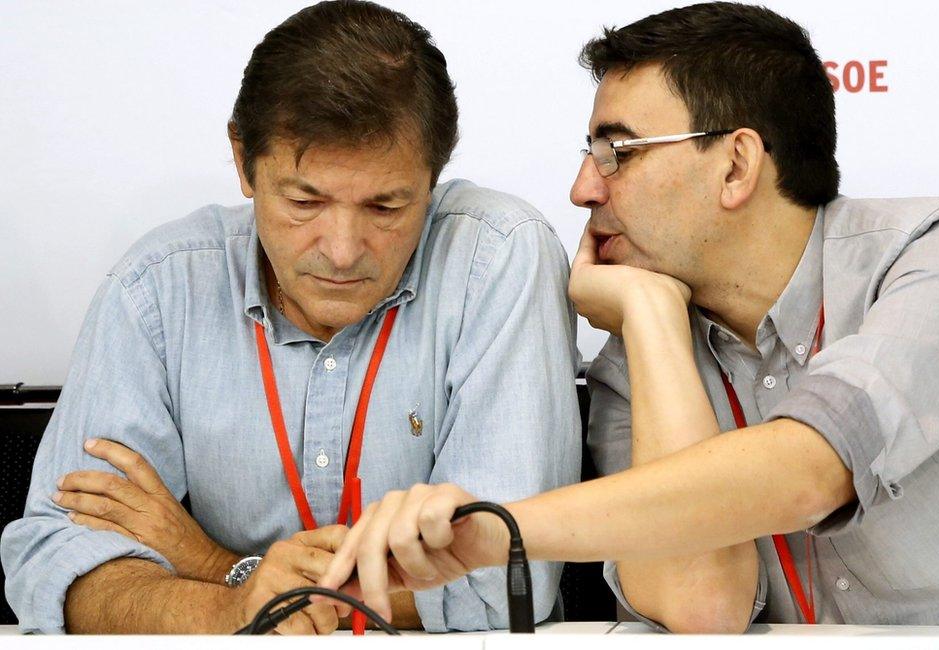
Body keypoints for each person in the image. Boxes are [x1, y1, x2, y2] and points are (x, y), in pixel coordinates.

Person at [317, 1, 939, 633]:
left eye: (618, 152)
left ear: (736, 165)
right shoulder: (636, 352)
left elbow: (813, 468)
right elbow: (702, 608)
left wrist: (495, 532)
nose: (582, 188)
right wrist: (650, 317)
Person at [0, 0, 580, 635]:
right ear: (242, 160)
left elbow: (501, 587)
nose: (341, 250)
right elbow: (54, 563)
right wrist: (230, 609)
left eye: (386, 207)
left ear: (435, 177)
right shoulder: (160, 286)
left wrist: (215, 565)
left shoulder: (496, 258)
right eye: (304, 200)